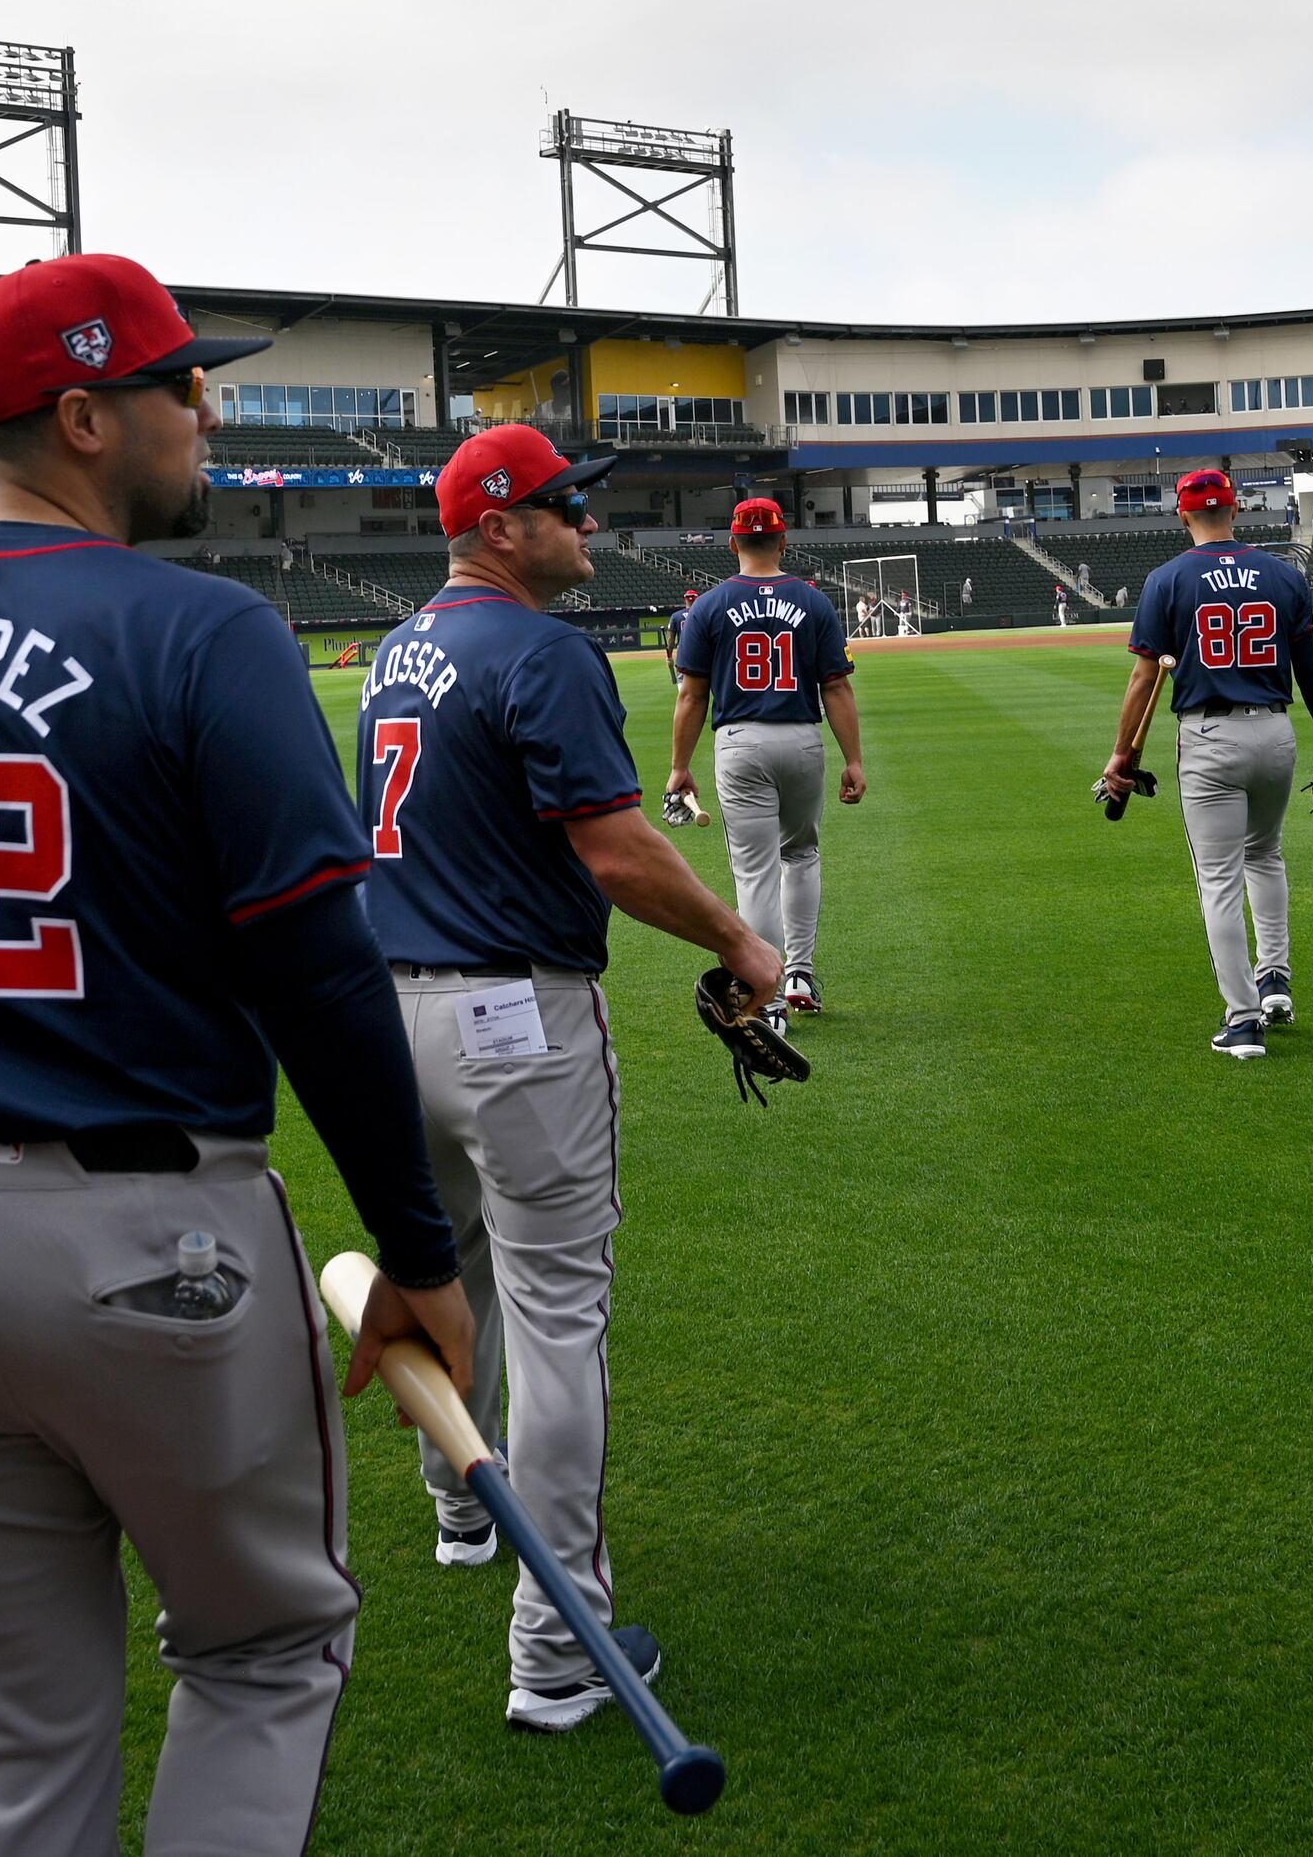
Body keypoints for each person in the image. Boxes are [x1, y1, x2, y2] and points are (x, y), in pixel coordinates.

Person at [0, 251, 476, 1857]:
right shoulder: (205, 628)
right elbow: (318, 970)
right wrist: (418, 1244)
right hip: (150, 1239)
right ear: (84, 415)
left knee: (7, 1748)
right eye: (177, 383)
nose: (205, 407)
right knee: (267, 1642)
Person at [354, 423, 786, 1732]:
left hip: (392, 1012)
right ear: (498, 527)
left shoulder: (395, 646)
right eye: (562, 508)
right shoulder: (542, 649)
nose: (589, 526)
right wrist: (738, 937)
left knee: (448, 1263)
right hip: (512, 1018)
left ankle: (456, 1510)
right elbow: (614, 850)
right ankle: (559, 1644)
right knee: (557, 1320)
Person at [1096, 467, 1313, 1061]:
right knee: (1266, 853)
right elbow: (1310, 669)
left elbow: (1144, 674)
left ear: (1183, 515)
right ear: (1236, 510)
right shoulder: (1284, 574)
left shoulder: (1168, 578)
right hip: (1275, 731)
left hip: (1208, 736)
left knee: (1220, 880)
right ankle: (1275, 982)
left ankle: (1244, 1020)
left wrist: (1121, 755)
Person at [661, 496, 866, 1023]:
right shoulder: (814, 601)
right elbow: (837, 687)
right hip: (801, 737)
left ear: (732, 542)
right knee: (800, 854)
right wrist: (855, 760)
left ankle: (767, 999)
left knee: (754, 873)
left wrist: (680, 766)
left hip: (740, 741)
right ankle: (799, 972)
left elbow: (691, 694)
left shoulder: (707, 605)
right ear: (783, 540)